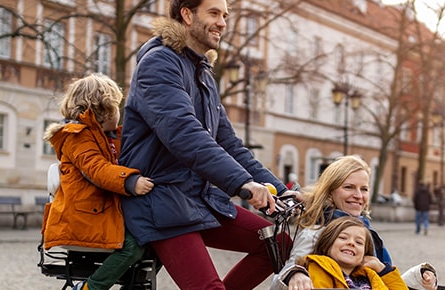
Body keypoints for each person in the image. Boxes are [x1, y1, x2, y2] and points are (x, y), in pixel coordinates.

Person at [116, 0, 289, 288]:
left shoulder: (202, 73)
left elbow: (230, 145)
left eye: (224, 15)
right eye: (213, 13)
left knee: (279, 244)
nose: (222, 22)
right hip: (162, 201)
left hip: (199, 199)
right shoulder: (159, 64)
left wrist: (283, 192)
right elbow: (184, 134)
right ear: (187, 14)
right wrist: (242, 184)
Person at [41, 74, 156, 290]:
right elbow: (97, 170)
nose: (119, 113)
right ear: (103, 110)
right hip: (84, 217)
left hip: (100, 212)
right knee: (133, 245)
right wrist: (131, 180)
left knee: (154, 238)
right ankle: (90, 288)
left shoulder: (108, 137)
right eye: (116, 107)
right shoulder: (78, 137)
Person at [272, 156, 445, 290]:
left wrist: (421, 278)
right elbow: (280, 281)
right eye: (349, 187)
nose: (359, 196)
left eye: (364, 189)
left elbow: (384, 277)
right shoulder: (316, 232)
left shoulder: (366, 230)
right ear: (330, 192)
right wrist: (295, 273)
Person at [293, 216, 407, 289]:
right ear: (326, 244)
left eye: (359, 242)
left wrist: (381, 268)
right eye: (343, 238)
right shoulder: (321, 267)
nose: (351, 243)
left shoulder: (369, 275)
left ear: (364, 253)